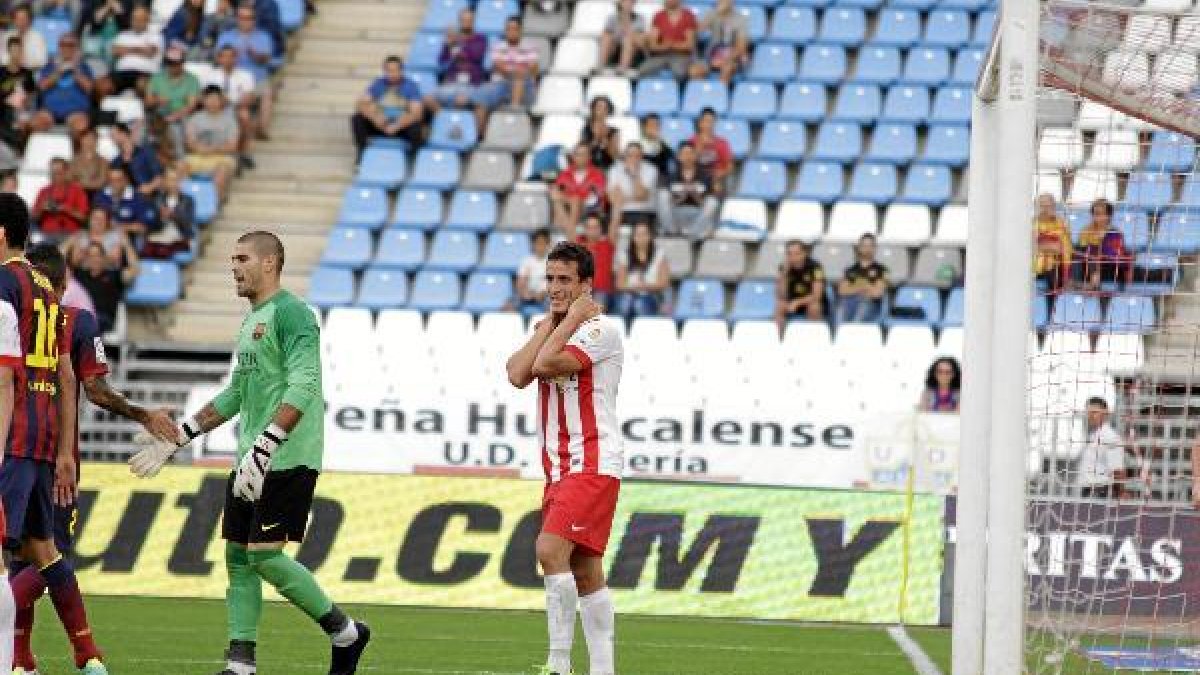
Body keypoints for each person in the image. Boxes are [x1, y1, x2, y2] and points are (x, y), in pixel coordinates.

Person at [128, 230, 373, 675]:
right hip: (251, 459)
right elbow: (236, 394)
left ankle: (347, 633)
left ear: (269, 263)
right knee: (237, 557)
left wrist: (267, 443)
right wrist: (181, 434)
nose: (234, 267)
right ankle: (241, 663)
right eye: (232, 259)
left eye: (242, 258)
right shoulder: (251, 321)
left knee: (262, 555)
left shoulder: (294, 314)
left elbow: (304, 385)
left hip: (287, 456)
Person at [13, 244, 176, 674]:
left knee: (24, 555)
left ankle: (32, 658)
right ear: (65, 286)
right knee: (47, 553)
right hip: (51, 453)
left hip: (14, 449)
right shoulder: (75, 321)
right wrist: (143, 414)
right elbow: (94, 390)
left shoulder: (15, 318)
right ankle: (54, 659)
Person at [505, 241, 622, 675]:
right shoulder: (552, 325)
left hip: (591, 461)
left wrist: (570, 318)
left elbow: (544, 365)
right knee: (586, 569)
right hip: (559, 468)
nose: (554, 287)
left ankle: (558, 666)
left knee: (549, 548)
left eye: (564, 280)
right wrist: (551, 323)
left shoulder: (599, 331)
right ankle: (603, 670)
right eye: (550, 279)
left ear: (586, 286)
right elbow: (517, 373)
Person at [0, 193, 96, 674]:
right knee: (43, 551)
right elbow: (66, 376)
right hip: (42, 440)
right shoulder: (47, 288)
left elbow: (3, 371)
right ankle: (89, 657)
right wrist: (63, 451)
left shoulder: (5, 283)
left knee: (11, 556)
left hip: (12, 436)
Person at [350, 55, 423, 162]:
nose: (392, 74)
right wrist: (375, 118)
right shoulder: (379, 84)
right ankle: (362, 151)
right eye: (388, 71)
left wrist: (397, 125)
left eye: (395, 71)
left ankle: (413, 156)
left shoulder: (410, 86)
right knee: (357, 118)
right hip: (381, 123)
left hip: (401, 125)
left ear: (401, 71)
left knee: (416, 127)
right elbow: (361, 104)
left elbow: (417, 113)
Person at [206, 43, 268, 168]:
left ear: (236, 59)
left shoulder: (246, 75)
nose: (228, 60)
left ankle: (243, 153)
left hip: (237, 108)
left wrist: (229, 100)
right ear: (219, 59)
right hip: (216, 108)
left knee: (244, 115)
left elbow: (248, 98)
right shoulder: (211, 75)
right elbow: (208, 96)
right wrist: (226, 100)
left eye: (231, 57)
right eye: (225, 57)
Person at [474, 17, 538, 128]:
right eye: (508, 29)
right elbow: (499, 67)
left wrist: (514, 71)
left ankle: (512, 123)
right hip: (501, 84)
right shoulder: (498, 47)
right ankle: (480, 136)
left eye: (514, 29)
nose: (511, 32)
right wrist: (518, 68)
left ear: (520, 30)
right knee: (482, 94)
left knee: (518, 79)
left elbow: (533, 68)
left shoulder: (530, 47)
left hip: (525, 87)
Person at [183, 84, 239, 201]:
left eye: (216, 99)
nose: (213, 102)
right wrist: (202, 149)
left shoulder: (230, 121)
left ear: (221, 101)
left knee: (221, 172)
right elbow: (190, 143)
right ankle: (183, 203)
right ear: (203, 100)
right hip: (198, 156)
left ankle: (214, 204)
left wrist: (211, 150)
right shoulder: (195, 119)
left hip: (222, 158)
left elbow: (232, 146)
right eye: (209, 99)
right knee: (180, 168)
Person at [32, 34, 94, 139]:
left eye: (70, 45)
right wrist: (58, 71)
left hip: (75, 111)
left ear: (76, 48)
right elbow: (42, 86)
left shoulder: (83, 67)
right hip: (49, 111)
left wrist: (75, 69)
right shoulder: (50, 66)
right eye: (63, 45)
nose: (66, 48)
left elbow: (89, 88)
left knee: (81, 127)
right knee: (35, 124)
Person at [147, 42, 201, 161]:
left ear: (182, 63)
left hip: (183, 114)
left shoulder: (192, 79)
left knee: (176, 128)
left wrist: (175, 115)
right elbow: (148, 101)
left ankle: (181, 160)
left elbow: (191, 105)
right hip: (160, 113)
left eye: (176, 63)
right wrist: (157, 100)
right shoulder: (157, 78)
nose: (173, 66)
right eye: (170, 63)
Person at [427, 8, 487, 113]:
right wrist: (447, 45)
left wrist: (456, 43)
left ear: (473, 21)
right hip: (452, 83)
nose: (466, 23)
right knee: (428, 99)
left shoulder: (480, 39)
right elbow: (442, 61)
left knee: (460, 101)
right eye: (464, 20)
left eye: (469, 20)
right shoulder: (452, 39)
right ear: (460, 21)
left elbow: (474, 56)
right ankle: (444, 119)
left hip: (471, 84)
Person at [71, 240, 137, 332]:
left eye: (97, 255)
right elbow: (59, 266)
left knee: (87, 324)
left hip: (103, 318)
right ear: (86, 259)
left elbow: (134, 270)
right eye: (90, 255)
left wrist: (127, 244)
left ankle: (96, 346)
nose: (94, 259)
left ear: (103, 257)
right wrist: (72, 241)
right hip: (82, 319)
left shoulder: (114, 275)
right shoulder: (80, 275)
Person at [657, 140, 716, 239]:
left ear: (695, 155)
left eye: (690, 153)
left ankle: (692, 233)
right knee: (662, 194)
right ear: (679, 156)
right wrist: (682, 196)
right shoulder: (671, 176)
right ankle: (671, 231)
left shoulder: (705, 176)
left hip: (697, 214)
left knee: (712, 201)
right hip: (676, 214)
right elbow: (667, 204)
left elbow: (706, 205)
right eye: (684, 153)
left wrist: (694, 194)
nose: (687, 156)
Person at [614, 220, 669, 320]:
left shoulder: (659, 255)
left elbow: (663, 283)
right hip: (629, 294)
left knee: (639, 304)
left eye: (644, 234)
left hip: (651, 295)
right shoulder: (625, 255)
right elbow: (620, 284)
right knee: (625, 302)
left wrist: (645, 286)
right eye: (638, 234)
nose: (641, 237)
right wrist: (635, 287)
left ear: (650, 236)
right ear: (633, 237)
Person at [1076, 198, 1130, 292]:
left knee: (1094, 253)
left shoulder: (1114, 233)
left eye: (1101, 214)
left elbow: (1115, 257)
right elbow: (1081, 251)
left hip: (1111, 268)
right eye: (1095, 214)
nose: (1097, 217)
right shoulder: (1086, 231)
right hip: (1089, 267)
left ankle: (1090, 284)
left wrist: (1102, 241)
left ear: (1109, 216)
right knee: (1080, 252)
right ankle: (1077, 283)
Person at [550, 142, 606, 233]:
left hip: (589, 210)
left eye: (584, 154)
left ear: (589, 156)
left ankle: (569, 236)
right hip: (568, 208)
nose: (581, 157)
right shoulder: (565, 174)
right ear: (573, 156)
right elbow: (557, 192)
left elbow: (597, 198)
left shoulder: (597, 174)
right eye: (578, 154)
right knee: (557, 201)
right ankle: (570, 233)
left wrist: (573, 198)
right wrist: (568, 198)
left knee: (573, 201)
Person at [107, 4, 161, 95]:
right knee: (103, 86)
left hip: (144, 73)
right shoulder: (123, 35)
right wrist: (139, 49)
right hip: (122, 73)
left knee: (142, 85)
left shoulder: (156, 36)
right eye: (134, 19)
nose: (136, 22)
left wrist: (126, 49)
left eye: (140, 19)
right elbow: (115, 51)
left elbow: (150, 52)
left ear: (147, 20)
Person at [1077, 397, 1126, 499]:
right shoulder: (1093, 435)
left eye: (1094, 412)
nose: (1090, 416)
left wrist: (1121, 492)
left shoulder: (1109, 436)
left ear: (1105, 413)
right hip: (1089, 490)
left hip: (1100, 492)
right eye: (1088, 412)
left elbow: (1117, 469)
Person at [215, 4, 274, 86]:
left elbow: (266, 60)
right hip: (231, 81)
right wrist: (231, 57)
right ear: (237, 19)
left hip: (257, 80)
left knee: (267, 94)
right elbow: (217, 58)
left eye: (249, 18)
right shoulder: (225, 36)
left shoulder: (264, 37)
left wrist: (254, 54)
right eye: (242, 18)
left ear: (255, 20)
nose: (245, 21)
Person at [31, 157, 87, 241]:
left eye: (59, 172)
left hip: (70, 233)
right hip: (47, 233)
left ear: (66, 172)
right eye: (53, 173)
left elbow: (83, 217)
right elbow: (34, 216)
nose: (55, 176)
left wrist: (66, 209)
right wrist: (42, 209)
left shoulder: (77, 190)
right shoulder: (44, 191)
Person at [93, 165, 157, 237]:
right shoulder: (101, 195)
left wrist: (120, 227)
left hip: (131, 237)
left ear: (126, 180)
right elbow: (93, 219)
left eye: (118, 180)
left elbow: (143, 227)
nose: (114, 183)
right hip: (104, 235)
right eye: (111, 180)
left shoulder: (138, 198)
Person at [637, 0, 697, 79]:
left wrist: (670, 45)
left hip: (681, 55)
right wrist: (666, 46)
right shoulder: (659, 16)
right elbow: (653, 45)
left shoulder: (688, 16)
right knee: (642, 70)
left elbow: (689, 45)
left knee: (679, 72)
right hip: (661, 55)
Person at [837, 233, 888, 323]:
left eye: (870, 246)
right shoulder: (850, 269)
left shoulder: (881, 269)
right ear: (859, 248)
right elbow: (842, 290)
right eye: (864, 245)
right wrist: (865, 287)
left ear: (875, 248)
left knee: (862, 308)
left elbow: (877, 293)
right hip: (850, 302)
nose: (867, 249)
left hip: (871, 305)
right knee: (840, 310)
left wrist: (854, 288)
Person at [774, 240, 824, 331]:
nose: (793, 257)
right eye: (789, 254)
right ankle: (779, 337)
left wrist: (798, 302)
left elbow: (817, 295)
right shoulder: (783, 267)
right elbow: (780, 294)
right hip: (791, 300)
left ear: (804, 253)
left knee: (814, 307)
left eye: (797, 253)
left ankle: (813, 335)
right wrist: (784, 274)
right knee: (780, 306)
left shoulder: (815, 267)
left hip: (809, 301)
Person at [145, 166, 195, 258]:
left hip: (180, 235)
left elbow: (188, 222)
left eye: (175, 180)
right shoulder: (158, 199)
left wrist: (173, 215)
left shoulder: (188, 200)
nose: (173, 183)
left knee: (163, 251)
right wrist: (159, 216)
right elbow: (152, 222)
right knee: (147, 251)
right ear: (165, 182)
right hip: (160, 234)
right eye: (170, 180)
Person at [606, 142, 658, 227]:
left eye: (637, 156)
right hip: (620, 211)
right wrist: (631, 197)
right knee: (613, 216)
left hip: (643, 211)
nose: (634, 159)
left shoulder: (651, 169)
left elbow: (641, 195)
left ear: (642, 156)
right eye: (630, 155)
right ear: (625, 156)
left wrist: (634, 174)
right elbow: (612, 198)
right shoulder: (615, 169)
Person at [0, 36, 36, 152]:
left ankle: (18, 151)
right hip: (3, 110)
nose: (16, 54)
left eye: (18, 50)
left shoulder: (27, 73)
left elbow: (32, 96)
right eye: (13, 50)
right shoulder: (1, 72)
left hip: (21, 111)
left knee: (23, 121)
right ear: (8, 51)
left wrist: (23, 104)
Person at [110, 120, 164, 197]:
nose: (112, 138)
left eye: (114, 134)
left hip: (152, 196)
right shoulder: (116, 162)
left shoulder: (145, 152)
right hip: (132, 200)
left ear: (123, 133)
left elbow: (159, 176)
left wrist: (149, 187)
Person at [574, 213, 616, 308]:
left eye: (595, 227)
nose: (592, 230)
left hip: (601, 291)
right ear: (585, 229)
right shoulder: (578, 244)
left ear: (601, 229)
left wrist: (617, 205)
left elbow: (615, 222)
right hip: (581, 290)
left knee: (597, 306)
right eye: (589, 227)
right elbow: (569, 226)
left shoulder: (607, 245)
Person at [1034, 192, 1071, 295]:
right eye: (1042, 206)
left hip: (1054, 267)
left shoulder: (1061, 224)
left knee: (1054, 273)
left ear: (1054, 207)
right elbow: (1029, 246)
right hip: (1034, 266)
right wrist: (1048, 245)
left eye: (1048, 206)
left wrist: (1042, 244)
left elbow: (1062, 249)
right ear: (1036, 208)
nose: (1045, 209)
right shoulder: (1032, 223)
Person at [689, 107, 732, 194]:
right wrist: (700, 146)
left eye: (710, 122)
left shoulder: (722, 143)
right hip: (697, 179)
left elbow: (729, 166)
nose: (707, 125)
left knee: (717, 187)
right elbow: (688, 163)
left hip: (715, 179)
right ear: (700, 123)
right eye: (705, 121)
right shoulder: (692, 141)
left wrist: (717, 176)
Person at [597, 0, 644, 76]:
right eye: (626, 2)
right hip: (615, 49)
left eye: (631, 2)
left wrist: (626, 17)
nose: (629, 4)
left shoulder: (639, 19)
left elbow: (638, 39)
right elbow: (606, 34)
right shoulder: (612, 18)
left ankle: (622, 68)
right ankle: (600, 66)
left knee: (628, 40)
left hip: (633, 52)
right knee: (606, 37)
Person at [513, 228, 551, 316]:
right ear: (533, 244)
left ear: (548, 244)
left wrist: (543, 293)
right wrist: (525, 293)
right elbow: (520, 283)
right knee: (510, 304)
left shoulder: (552, 262)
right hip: (528, 294)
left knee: (554, 305)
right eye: (537, 243)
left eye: (543, 243)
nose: (540, 246)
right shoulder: (526, 261)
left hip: (545, 296)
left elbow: (553, 284)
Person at [0, 5, 47, 71]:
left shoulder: (38, 37)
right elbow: (2, 57)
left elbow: (42, 61)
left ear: (30, 20)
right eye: (18, 19)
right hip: (8, 72)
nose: (21, 22)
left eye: (24, 18)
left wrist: (23, 62)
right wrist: (12, 62)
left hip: (29, 73)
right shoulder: (7, 36)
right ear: (13, 20)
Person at [581, 95, 619, 171]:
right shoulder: (586, 129)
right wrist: (592, 144)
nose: (602, 111)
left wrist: (607, 145)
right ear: (593, 109)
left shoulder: (614, 131)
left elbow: (615, 156)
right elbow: (581, 152)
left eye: (605, 108)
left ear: (608, 111)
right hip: (588, 168)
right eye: (599, 107)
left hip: (608, 168)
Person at [70, 126, 109, 195]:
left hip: (96, 195)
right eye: (86, 138)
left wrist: (82, 184)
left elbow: (102, 182)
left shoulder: (103, 161)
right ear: (81, 140)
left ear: (96, 141)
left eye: (92, 139)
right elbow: (70, 180)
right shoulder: (73, 161)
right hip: (77, 195)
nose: (89, 142)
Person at [639, 113, 673, 178]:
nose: (654, 128)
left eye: (657, 125)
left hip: (661, 180)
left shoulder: (663, 144)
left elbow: (670, 156)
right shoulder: (638, 145)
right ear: (644, 127)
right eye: (651, 125)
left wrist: (660, 141)